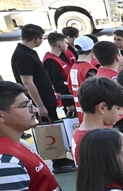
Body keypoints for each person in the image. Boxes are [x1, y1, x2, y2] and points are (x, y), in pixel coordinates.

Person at [12, 23, 76, 173]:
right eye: (41, 38)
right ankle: (58, 162)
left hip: (46, 98)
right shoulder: (22, 55)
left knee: (54, 127)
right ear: (36, 39)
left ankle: (61, 158)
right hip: (41, 101)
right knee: (49, 130)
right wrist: (39, 105)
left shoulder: (28, 52)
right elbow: (27, 82)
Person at [71, 77, 123, 163]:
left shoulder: (79, 133)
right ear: (102, 107)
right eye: (118, 108)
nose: (121, 113)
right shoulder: (99, 142)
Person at [67, 36, 99, 121]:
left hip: (81, 113)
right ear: (92, 50)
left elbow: (70, 88)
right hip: (92, 114)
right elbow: (97, 93)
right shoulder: (89, 69)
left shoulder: (73, 68)